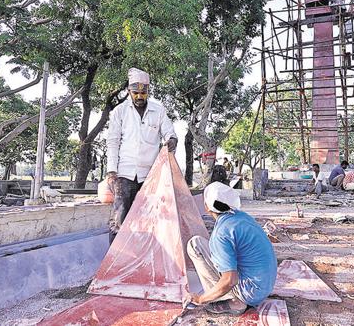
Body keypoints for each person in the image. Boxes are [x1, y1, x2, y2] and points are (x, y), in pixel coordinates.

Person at [106, 68, 178, 244]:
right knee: (120, 218)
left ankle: (142, 259)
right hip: (124, 173)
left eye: (143, 93)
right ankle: (115, 261)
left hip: (151, 176)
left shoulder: (158, 111)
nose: (139, 96)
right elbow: (113, 141)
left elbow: (170, 133)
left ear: (148, 92)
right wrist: (111, 171)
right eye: (136, 93)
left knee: (149, 218)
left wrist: (172, 141)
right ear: (129, 92)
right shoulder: (119, 111)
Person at [185, 182, 277, 315]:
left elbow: (230, 280)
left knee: (195, 246)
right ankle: (232, 296)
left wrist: (201, 299)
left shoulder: (222, 233)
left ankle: (232, 301)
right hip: (264, 286)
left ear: (207, 207)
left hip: (250, 293)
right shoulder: (241, 217)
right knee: (199, 243)